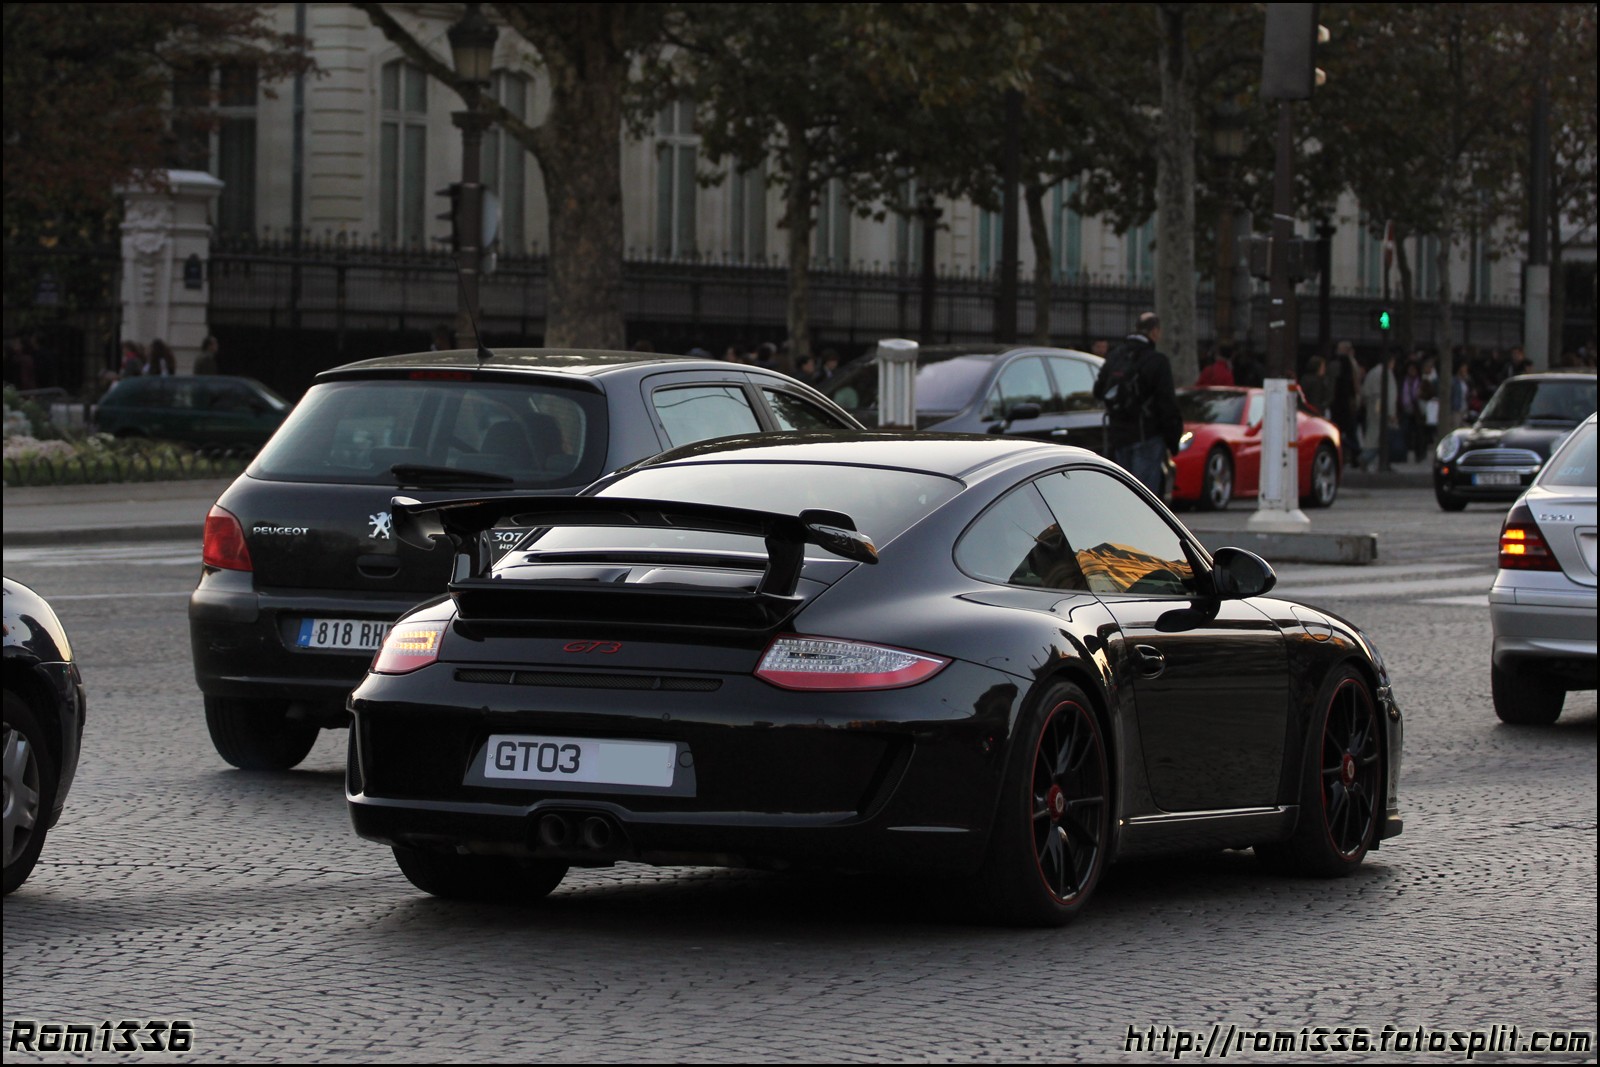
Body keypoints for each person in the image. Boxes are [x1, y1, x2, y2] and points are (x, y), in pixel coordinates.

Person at [1093, 311, 1182, 496]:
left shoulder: (1115, 356)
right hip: (1146, 436)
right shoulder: (1157, 361)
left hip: (1118, 435)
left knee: (1123, 493)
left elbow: (1098, 391)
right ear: (1155, 332)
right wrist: (1173, 440)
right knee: (1145, 496)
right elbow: (1167, 403)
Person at [1359, 350, 1399, 470]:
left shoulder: (1372, 372)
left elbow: (1364, 392)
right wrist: (1392, 413)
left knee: (1373, 434)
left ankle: (1367, 457)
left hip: (1372, 405)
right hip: (1382, 404)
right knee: (1381, 437)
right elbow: (1391, 394)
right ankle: (1367, 458)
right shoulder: (1387, 373)